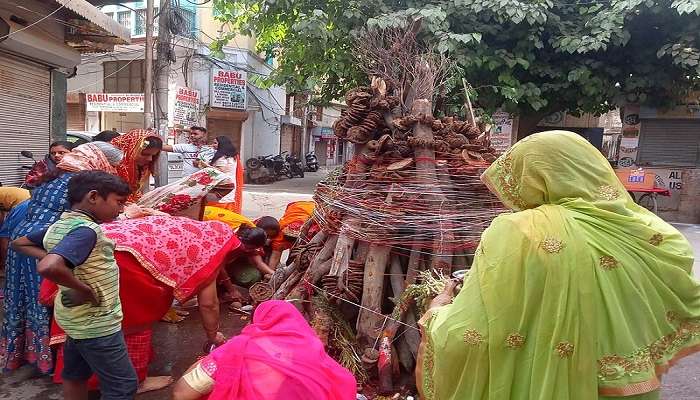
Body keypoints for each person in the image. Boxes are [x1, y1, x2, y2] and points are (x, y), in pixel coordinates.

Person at [416, 131, 700, 400]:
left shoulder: (518, 230)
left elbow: (478, 333)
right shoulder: (649, 232)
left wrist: (437, 313)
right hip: (625, 387)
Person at [43, 216, 266, 393]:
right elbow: (208, 304)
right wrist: (212, 335)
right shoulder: (215, 246)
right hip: (124, 259)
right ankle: (134, 381)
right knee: (138, 315)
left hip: (96, 248)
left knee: (85, 318)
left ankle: (81, 376)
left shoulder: (205, 230)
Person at [0, 143, 124, 374]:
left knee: (25, 299)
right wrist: (83, 288)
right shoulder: (82, 184)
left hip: (28, 239)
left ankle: (29, 357)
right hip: (55, 242)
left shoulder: (54, 174)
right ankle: (52, 359)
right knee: (48, 298)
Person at [12, 171, 136, 400]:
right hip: (97, 323)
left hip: (75, 321)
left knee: (75, 375)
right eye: (118, 202)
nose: (120, 210)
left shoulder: (60, 225)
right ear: (93, 197)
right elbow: (48, 266)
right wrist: (84, 290)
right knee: (123, 385)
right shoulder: (86, 231)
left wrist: (67, 265)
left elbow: (20, 243)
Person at [172, 300, 357, 400]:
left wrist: (210, 359)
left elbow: (182, 394)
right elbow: (344, 381)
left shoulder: (238, 348)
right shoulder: (311, 346)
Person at [111, 129, 163, 202]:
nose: (150, 159)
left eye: (153, 156)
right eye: (145, 154)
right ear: (130, 150)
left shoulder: (140, 169)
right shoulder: (110, 168)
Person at [200, 136, 244, 213]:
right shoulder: (232, 157)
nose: (213, 145)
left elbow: (220, 172)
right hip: (229, 190)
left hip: (221, 191)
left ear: (222, 144)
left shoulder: (222, 158)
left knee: (216, 214)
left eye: (215, 143)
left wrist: (204, 165)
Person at [267, 201, 317, 268]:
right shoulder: (279, 237)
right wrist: (271, 272)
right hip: (296, 206)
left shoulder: (310, 232)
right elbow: (275, 257)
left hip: (311, 207)